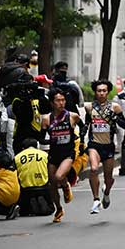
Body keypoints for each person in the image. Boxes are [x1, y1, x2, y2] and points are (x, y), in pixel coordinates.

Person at [42, 88, 82, 223]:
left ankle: (65, 186)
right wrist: (53, 139)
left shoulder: (72, 116)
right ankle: (58, 208)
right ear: (52, 103)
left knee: (59, 176)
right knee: (52, 183)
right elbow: (42, 138)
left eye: (63, 100)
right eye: (58, 100)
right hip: (54, 153)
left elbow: (83, 127)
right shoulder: (47, 119)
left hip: (68, 153)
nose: (61, 103)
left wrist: (78, 139)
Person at [84, 80, 124, 215]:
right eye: (99, 91)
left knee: (109, 179)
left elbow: (124, 124)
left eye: (104, 91)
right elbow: (86, 125)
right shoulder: (89, 107)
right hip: (94, 145)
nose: (101, 93)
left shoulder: (115, 107)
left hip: (108, 146)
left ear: (108, 92)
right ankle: (95, 200)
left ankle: (106, 193)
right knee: (94, 169)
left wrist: (115, 118)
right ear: (95, 92)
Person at [14, 138, 53, 217]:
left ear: (23, 148)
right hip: (43, 187)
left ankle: (30, 207)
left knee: (24, 212)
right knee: (51, 209)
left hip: (25, 189)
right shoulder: (45, 155)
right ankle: (43, 204)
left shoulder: (17, 157)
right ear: (37, 146)